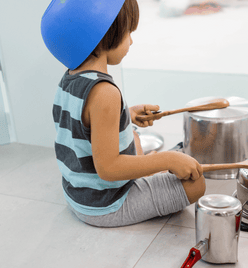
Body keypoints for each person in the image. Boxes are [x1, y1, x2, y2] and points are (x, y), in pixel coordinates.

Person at [41, 0, 205, 227]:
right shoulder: (105, 93)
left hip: (77, 193)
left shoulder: (69, 77)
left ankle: (144, 170)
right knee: (196, 184)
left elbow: (81, 122)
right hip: (106, 204)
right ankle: (145, 174)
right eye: (128, 32)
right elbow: (108, 169)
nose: (131, 41)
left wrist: (125, 115)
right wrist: (167, 159)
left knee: (133, 132)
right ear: (105, 34)